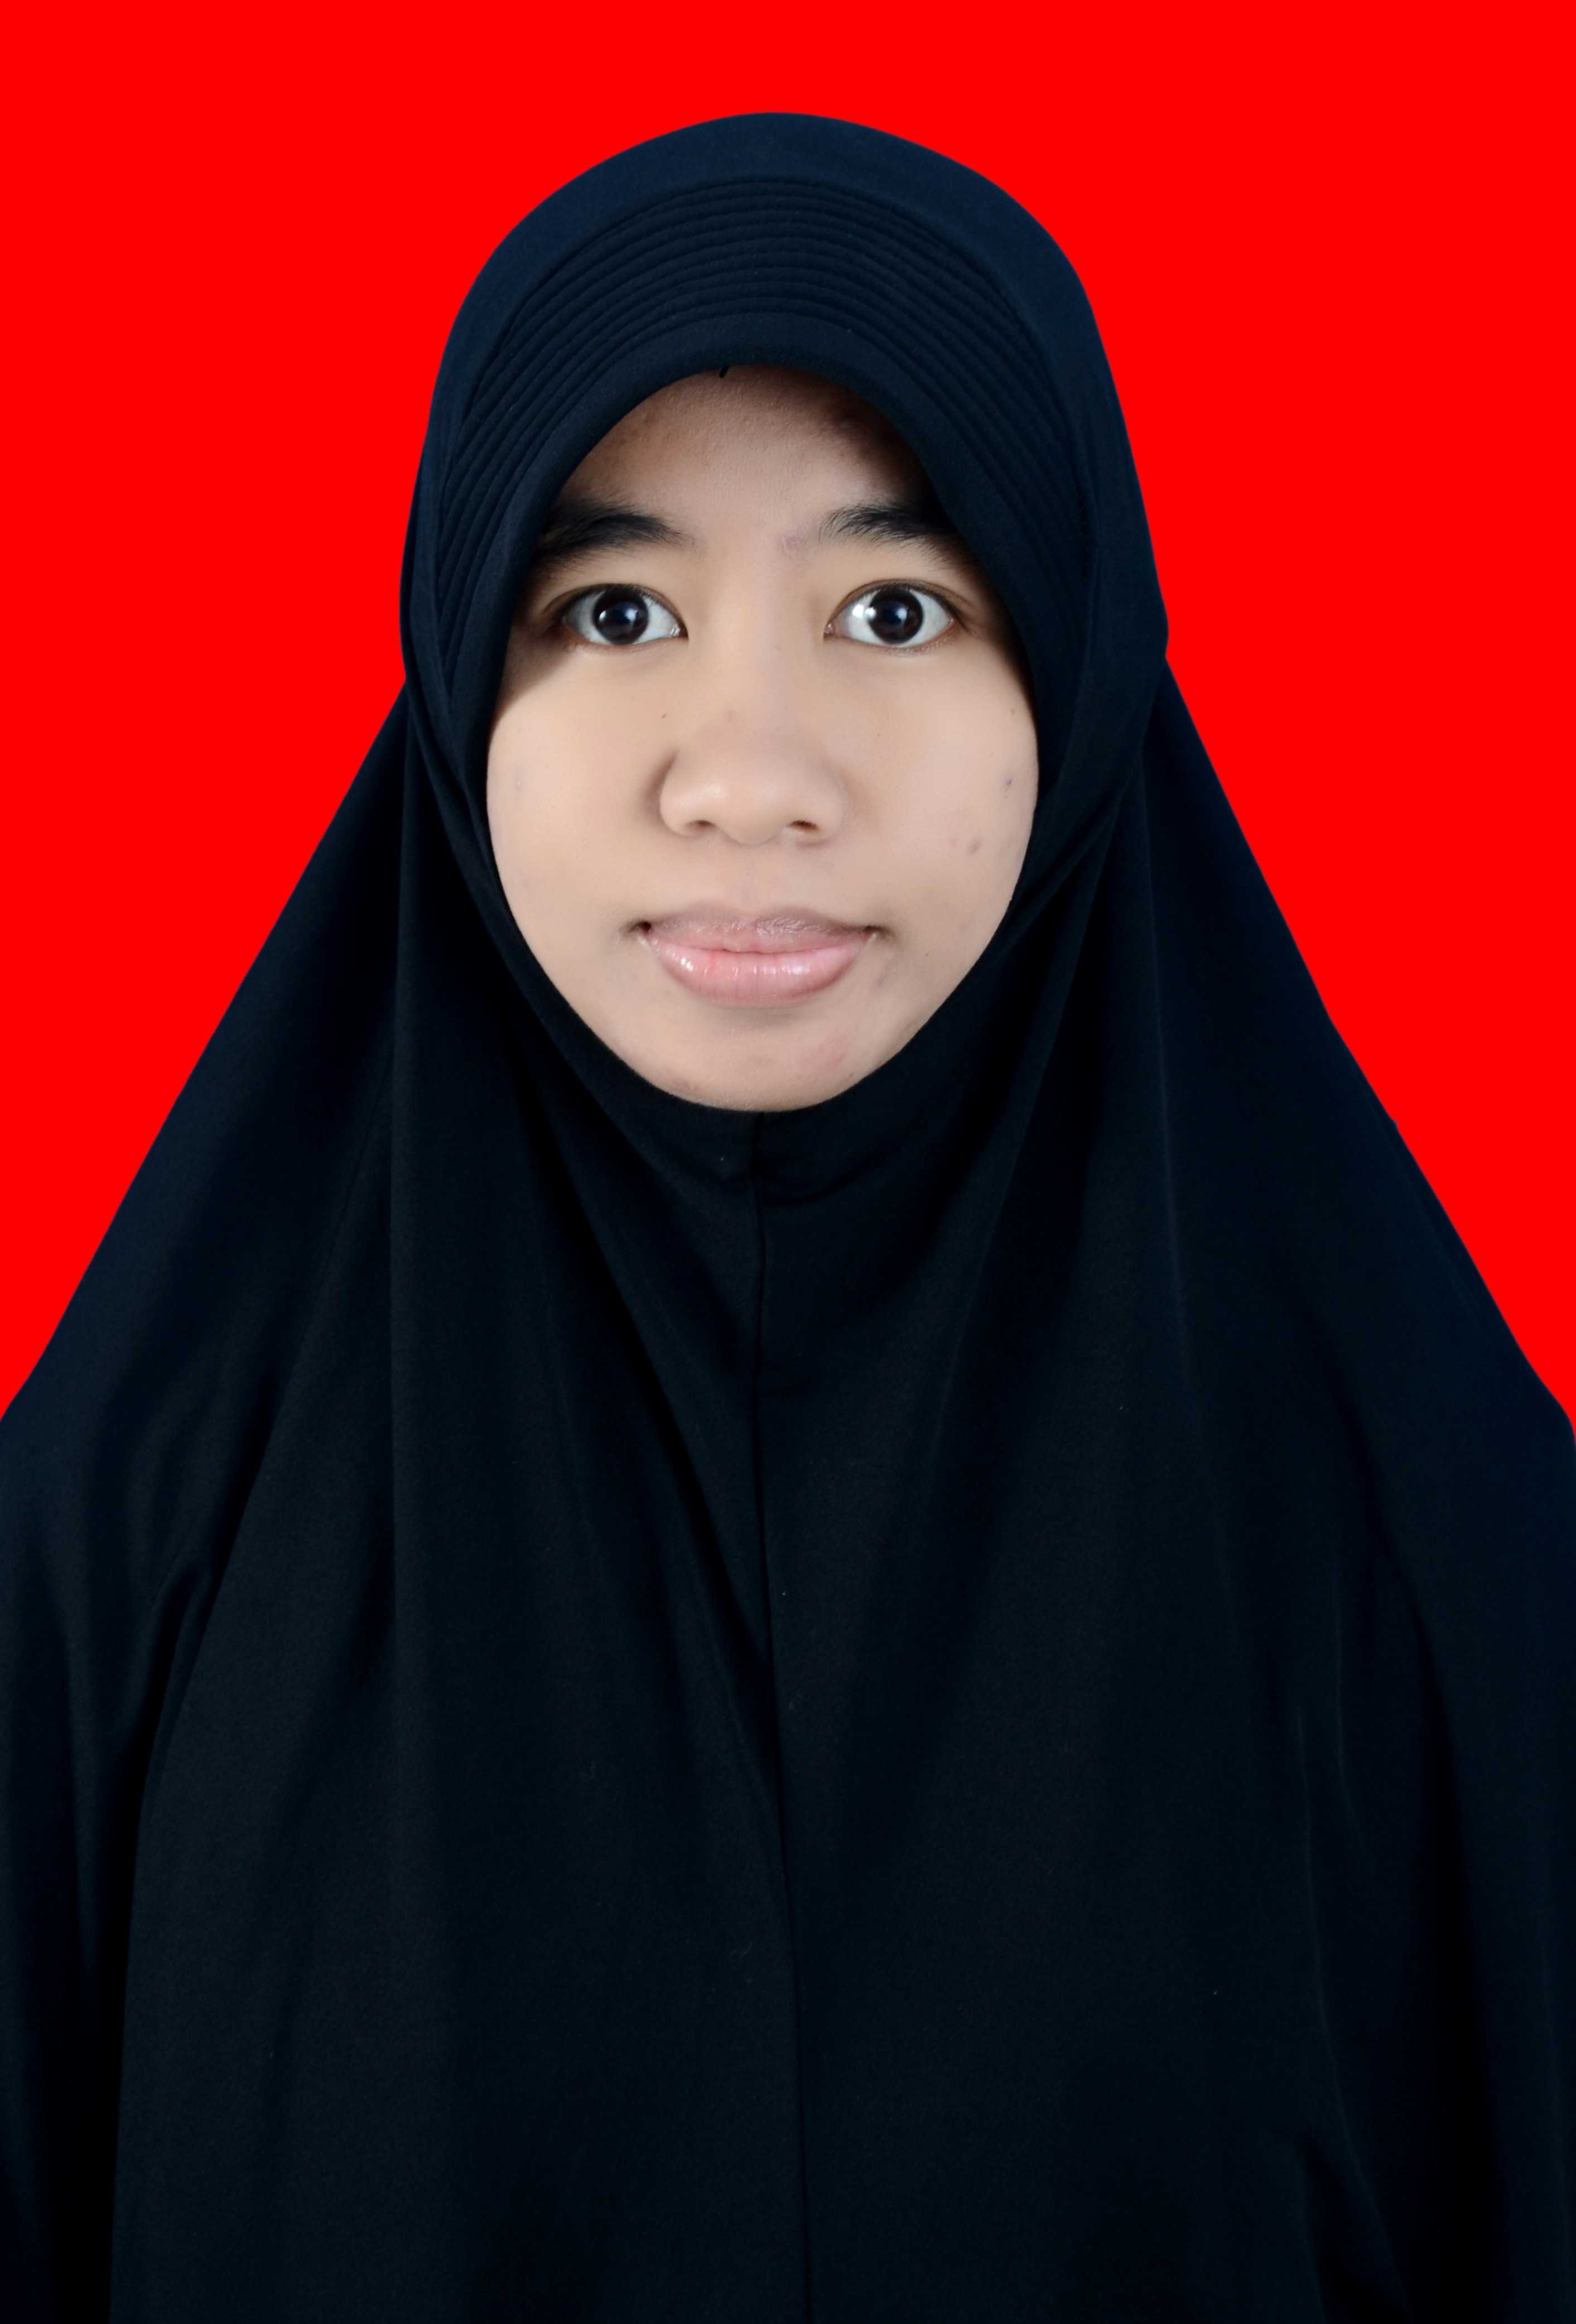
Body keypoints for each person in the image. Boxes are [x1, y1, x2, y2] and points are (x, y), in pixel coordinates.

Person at [1, 111, 1572, 2323]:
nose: (747, 774)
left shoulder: (1431, 1538)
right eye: (615, 610)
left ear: (1081, 675)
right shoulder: (135, 1522)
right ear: (458, 675)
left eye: (894, 609)